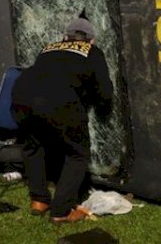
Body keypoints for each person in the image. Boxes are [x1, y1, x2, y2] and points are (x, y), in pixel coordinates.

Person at [11, 16, 113, 224]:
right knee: (77, 154)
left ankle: (39, 200)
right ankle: (61, 211)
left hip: (21, 96)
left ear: (64, 37)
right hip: (57, 101)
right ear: (91, 40)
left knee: (33, 147)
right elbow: (105, 92)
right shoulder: (92, 51)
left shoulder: (49, 48)